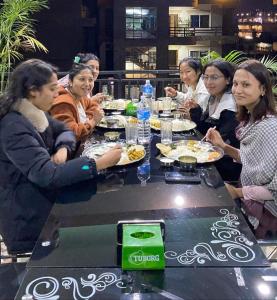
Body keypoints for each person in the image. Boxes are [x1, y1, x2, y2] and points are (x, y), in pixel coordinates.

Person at [0, 59, 122, 254]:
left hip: (46, 205)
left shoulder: (34, 113)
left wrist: (63, 147)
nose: (57, 93)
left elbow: (64, 130)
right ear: (33, 90)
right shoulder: (13, 127)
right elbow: (47, 175)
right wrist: (96, 164)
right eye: (52, 88)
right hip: (28, 220)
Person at [206, 60, 277, 237]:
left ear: (262, 89)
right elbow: (251, 159)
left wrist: (238, 192)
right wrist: (222, 146)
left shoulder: (269, 127)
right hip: (246, 197)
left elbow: (274, 186)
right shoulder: (253, 119)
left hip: (264, 215)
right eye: (236, 84)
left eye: (246, 85)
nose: (237, 90)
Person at [50, 63, 104, 142]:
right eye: (82, 79)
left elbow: (94, 106)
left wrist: (87, 119)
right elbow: (71, 135)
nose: (87, 84)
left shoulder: (80, 96)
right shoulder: (62, 103)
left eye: (90, 80)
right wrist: (93, 121)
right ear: (70, 81)